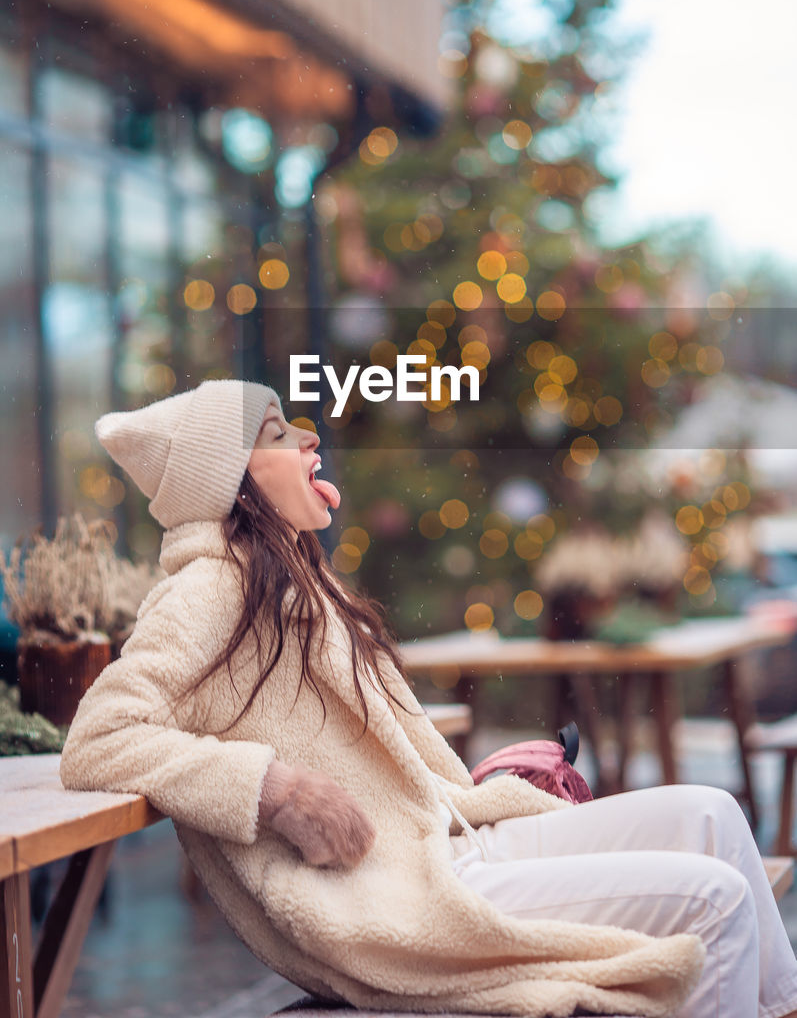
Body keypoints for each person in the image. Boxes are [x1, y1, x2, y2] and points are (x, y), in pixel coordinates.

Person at [60, 379, 797, 1018]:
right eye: (278, 434)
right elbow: (101, 736)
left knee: (711, 814)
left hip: (445, 841)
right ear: (233, 480)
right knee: (714, 898)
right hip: (400, 896)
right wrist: (273, 789)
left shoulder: (291, 579)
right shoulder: (207, 589)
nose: (310, 435)